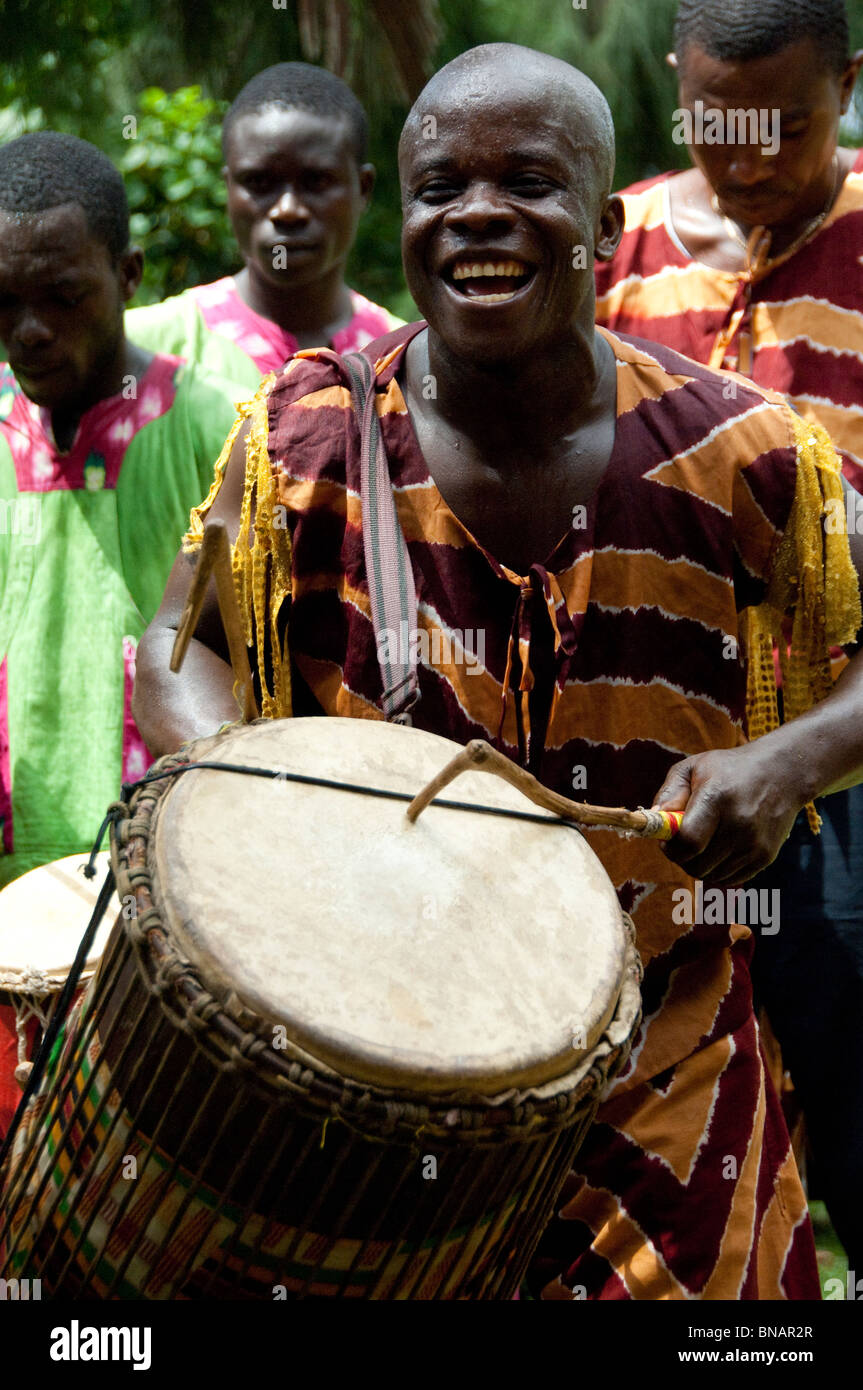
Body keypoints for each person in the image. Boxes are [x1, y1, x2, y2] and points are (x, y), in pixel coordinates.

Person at [134, 44, 863, 1300]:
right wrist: (244, 786)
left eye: (527, 179)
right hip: (379, 1070)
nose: (474, 212)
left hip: (669, 1077)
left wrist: (783, 758)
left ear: (607, 223)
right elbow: (178, 640)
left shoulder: (740, 452)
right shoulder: (304, 438)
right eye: (435, 190)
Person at [593, 0, 863, 1268]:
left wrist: (798, 759)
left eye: (789, 127)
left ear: (850, 85)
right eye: (715, 127)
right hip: (656, 780)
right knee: (664, 1140)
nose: (748, 160)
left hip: (844, 783)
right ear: (676, 93)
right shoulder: (615, 242)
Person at [0, 132, 244, 1135]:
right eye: (4, 301)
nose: (31, 332)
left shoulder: (221, 432)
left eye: (64, 297)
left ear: (129, 275)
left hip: (160, 901)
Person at [126, 62, 403, 389]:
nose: (287, 211)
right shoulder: (139, 348)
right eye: (259, 182)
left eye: (317, 182)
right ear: (229, 189)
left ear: (363, 188)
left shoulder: (404, 357)